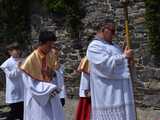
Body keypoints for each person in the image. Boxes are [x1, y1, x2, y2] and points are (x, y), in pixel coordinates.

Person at [86, 19, 136, 120]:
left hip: (122, 90)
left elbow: (122, 64)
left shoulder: (115, 46)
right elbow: (103, 64)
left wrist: (128, 61)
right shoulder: (94, 46)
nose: (114, 34)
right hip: (107, 91)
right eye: (112, 31)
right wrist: (124, 57)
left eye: (115, 31)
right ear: (103, 30)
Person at [20, 31, 65, 120]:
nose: (51, 48)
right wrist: (49, 89)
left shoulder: (51, 55)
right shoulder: (30, 60)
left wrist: (54, 74)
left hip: (52, 94)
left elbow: (58, 72)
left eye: (52, 45)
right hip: (38, 98)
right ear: (40, 43)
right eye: (49, 46)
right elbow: (29, 83)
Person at [0, 42, 24, 120]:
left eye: (18, 49)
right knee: (14, 113)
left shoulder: (23, 60)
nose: (17, 51)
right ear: (9, 52)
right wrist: (18, 67)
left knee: (23, 113)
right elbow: (11, 76)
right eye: (14, 50)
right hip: (14, 92)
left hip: (24, 90)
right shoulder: (6, 64)